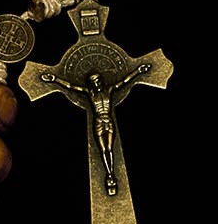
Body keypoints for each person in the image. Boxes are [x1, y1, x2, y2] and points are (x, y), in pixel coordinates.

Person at [40, 63, 151, 194]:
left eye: (98, 81)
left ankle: (111, 173)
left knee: (110, 148)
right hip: (98, 122)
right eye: (93, 83)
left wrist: (138, 71)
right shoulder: (90, 93)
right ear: (90, 85)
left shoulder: (109, 90)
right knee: (103, 150)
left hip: (108, 121)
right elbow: (71, 86)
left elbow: (124, 81)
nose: (97, 84)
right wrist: (55, 79)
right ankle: (109, 174)